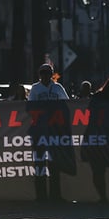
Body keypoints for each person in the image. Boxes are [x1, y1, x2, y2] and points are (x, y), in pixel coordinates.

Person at [28, 63, 72, 202]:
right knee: (40, 164)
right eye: (43, 73)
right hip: (40, 131)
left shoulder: (58, 87)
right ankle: (40, 195)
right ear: (39, 75)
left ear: (51, 74)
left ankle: (55, 195)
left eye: (47, 73)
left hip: (55, 131)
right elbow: (30, 107)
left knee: (54, 165)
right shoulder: (35, 88)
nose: (45, 76)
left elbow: (67, 104)